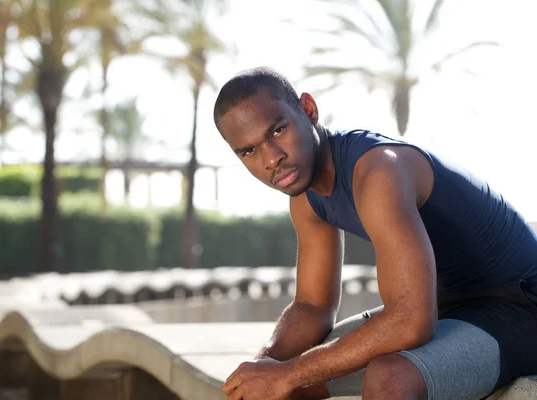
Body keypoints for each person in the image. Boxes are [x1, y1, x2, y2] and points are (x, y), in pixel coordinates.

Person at [212, 66, 537, 400]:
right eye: (249, 151)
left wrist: (288, 372)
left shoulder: (379, 169)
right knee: (280, 388)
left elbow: (411, 321)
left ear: (308, 110)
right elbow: (312, 307)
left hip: (519, 307)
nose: (271, 159)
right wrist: (262, 367)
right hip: (447, 307)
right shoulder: (306, 197)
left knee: (390, 378)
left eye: (277, 131)